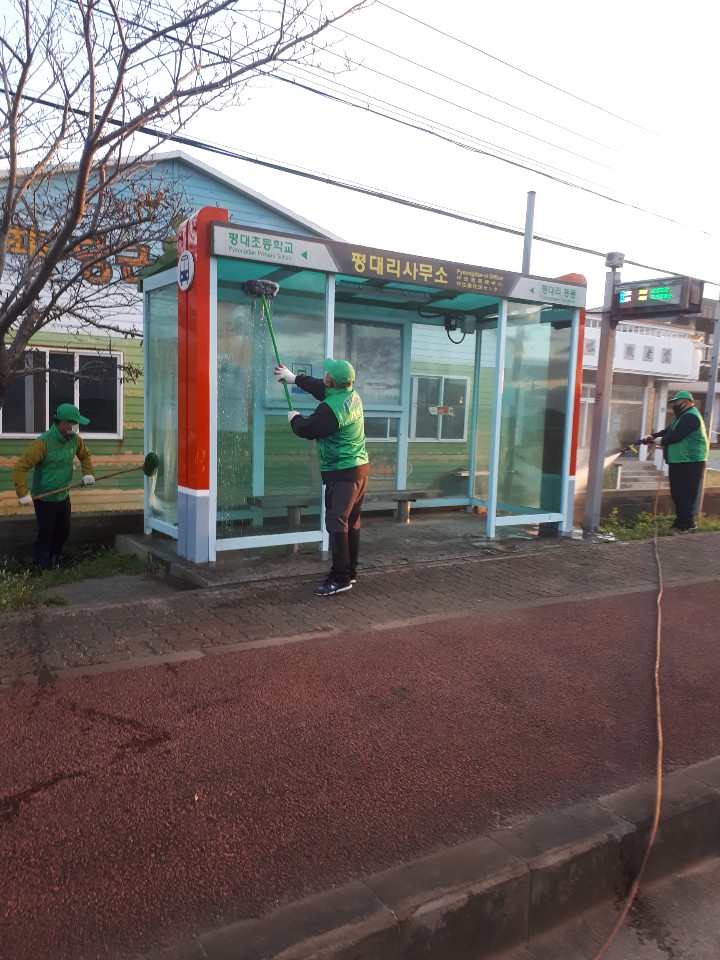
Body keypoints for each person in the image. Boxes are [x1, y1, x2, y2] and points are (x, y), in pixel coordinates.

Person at [275, 358, 368, 596]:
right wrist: (294, 378)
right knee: (351, 521)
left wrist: (294, 419)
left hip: (342, 472)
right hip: (359, 468)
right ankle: (350, 572)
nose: (324, 375)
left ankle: (340, 578)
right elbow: (320, 388)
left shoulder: (331, 410)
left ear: (332, 380)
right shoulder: (351, 394)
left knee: (336, 522)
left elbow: (308, 429)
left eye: (326, 374)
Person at [12, 402, 96, 570]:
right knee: (46, 534)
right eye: (74, 423)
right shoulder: (43, 443)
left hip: (63, 495)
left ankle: (55, 558)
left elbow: (85, 456)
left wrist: (87, 473)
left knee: (63, 531)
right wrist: (22, 493)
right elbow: (20, 467)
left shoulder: (74, 440)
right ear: (63, 423)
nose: (77, 426)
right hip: (44, 498)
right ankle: (41, 565)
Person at [641, 389, 708, 532]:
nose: (674, 405)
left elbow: (676, 436)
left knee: (685, 494)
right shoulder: (681, 417)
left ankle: (686, 524)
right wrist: (651, 437)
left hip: (690, 462)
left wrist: (661, 441)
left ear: (686, 402)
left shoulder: (691, 417)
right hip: (679, 461)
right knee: (677, 493)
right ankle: (682, 522)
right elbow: (668, 431)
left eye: (676, 402)